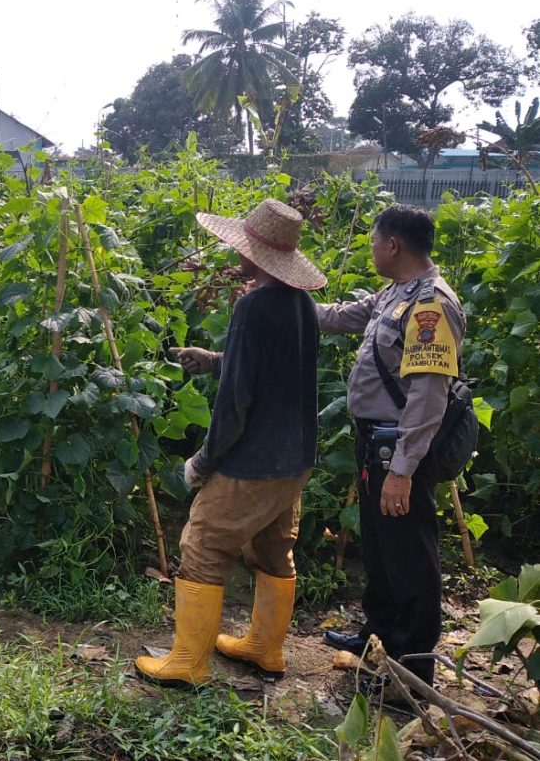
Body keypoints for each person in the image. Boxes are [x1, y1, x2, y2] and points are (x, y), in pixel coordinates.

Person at [135, 199, 325, 687]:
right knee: (273, 546)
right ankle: (266, 648)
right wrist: (216, 358)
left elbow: (237, 399)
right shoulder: (300, 304)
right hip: (295, 457)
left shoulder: (252, 305)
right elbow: (273, 369)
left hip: (253, 460)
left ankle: (187, 664)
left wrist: (206, 458)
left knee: (202, 543)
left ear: (256, 254)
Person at [320, 204, 465, 689]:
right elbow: (342, 316)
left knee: (410, 559)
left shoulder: (430, 306)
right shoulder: (395, 294)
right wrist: (283, 298)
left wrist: (402, 471)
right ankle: (377, 632)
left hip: (401, 450)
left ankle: (412, 672)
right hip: (376, 444)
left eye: (373, 241)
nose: (371, 249)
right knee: (381, 548)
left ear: (393, 245)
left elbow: (427, 395)